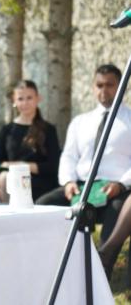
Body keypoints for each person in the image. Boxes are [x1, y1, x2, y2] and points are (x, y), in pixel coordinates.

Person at [36, 64, 131, 247]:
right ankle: (54, 257)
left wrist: (120, 184)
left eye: (109, 85)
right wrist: (69, 182)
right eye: (99, 85)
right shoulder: (81, 122)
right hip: (81, 187)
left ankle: (104, 265)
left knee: (116, 211)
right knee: (43, 204)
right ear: (93, 87)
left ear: (121, 86)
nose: (104, 90)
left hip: (117, 188)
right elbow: (69, 155)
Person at [0, 80, 60, 203]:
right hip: (8, 180)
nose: (25, 103)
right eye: (20, 99)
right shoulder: (6, 130)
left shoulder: (48, 129)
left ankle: (14, 218)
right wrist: (6, 167)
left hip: (38, 182)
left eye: (29, 98)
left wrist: (21, 166)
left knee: (6, 180)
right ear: (14, 101)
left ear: (38, 98)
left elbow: (53, 166)